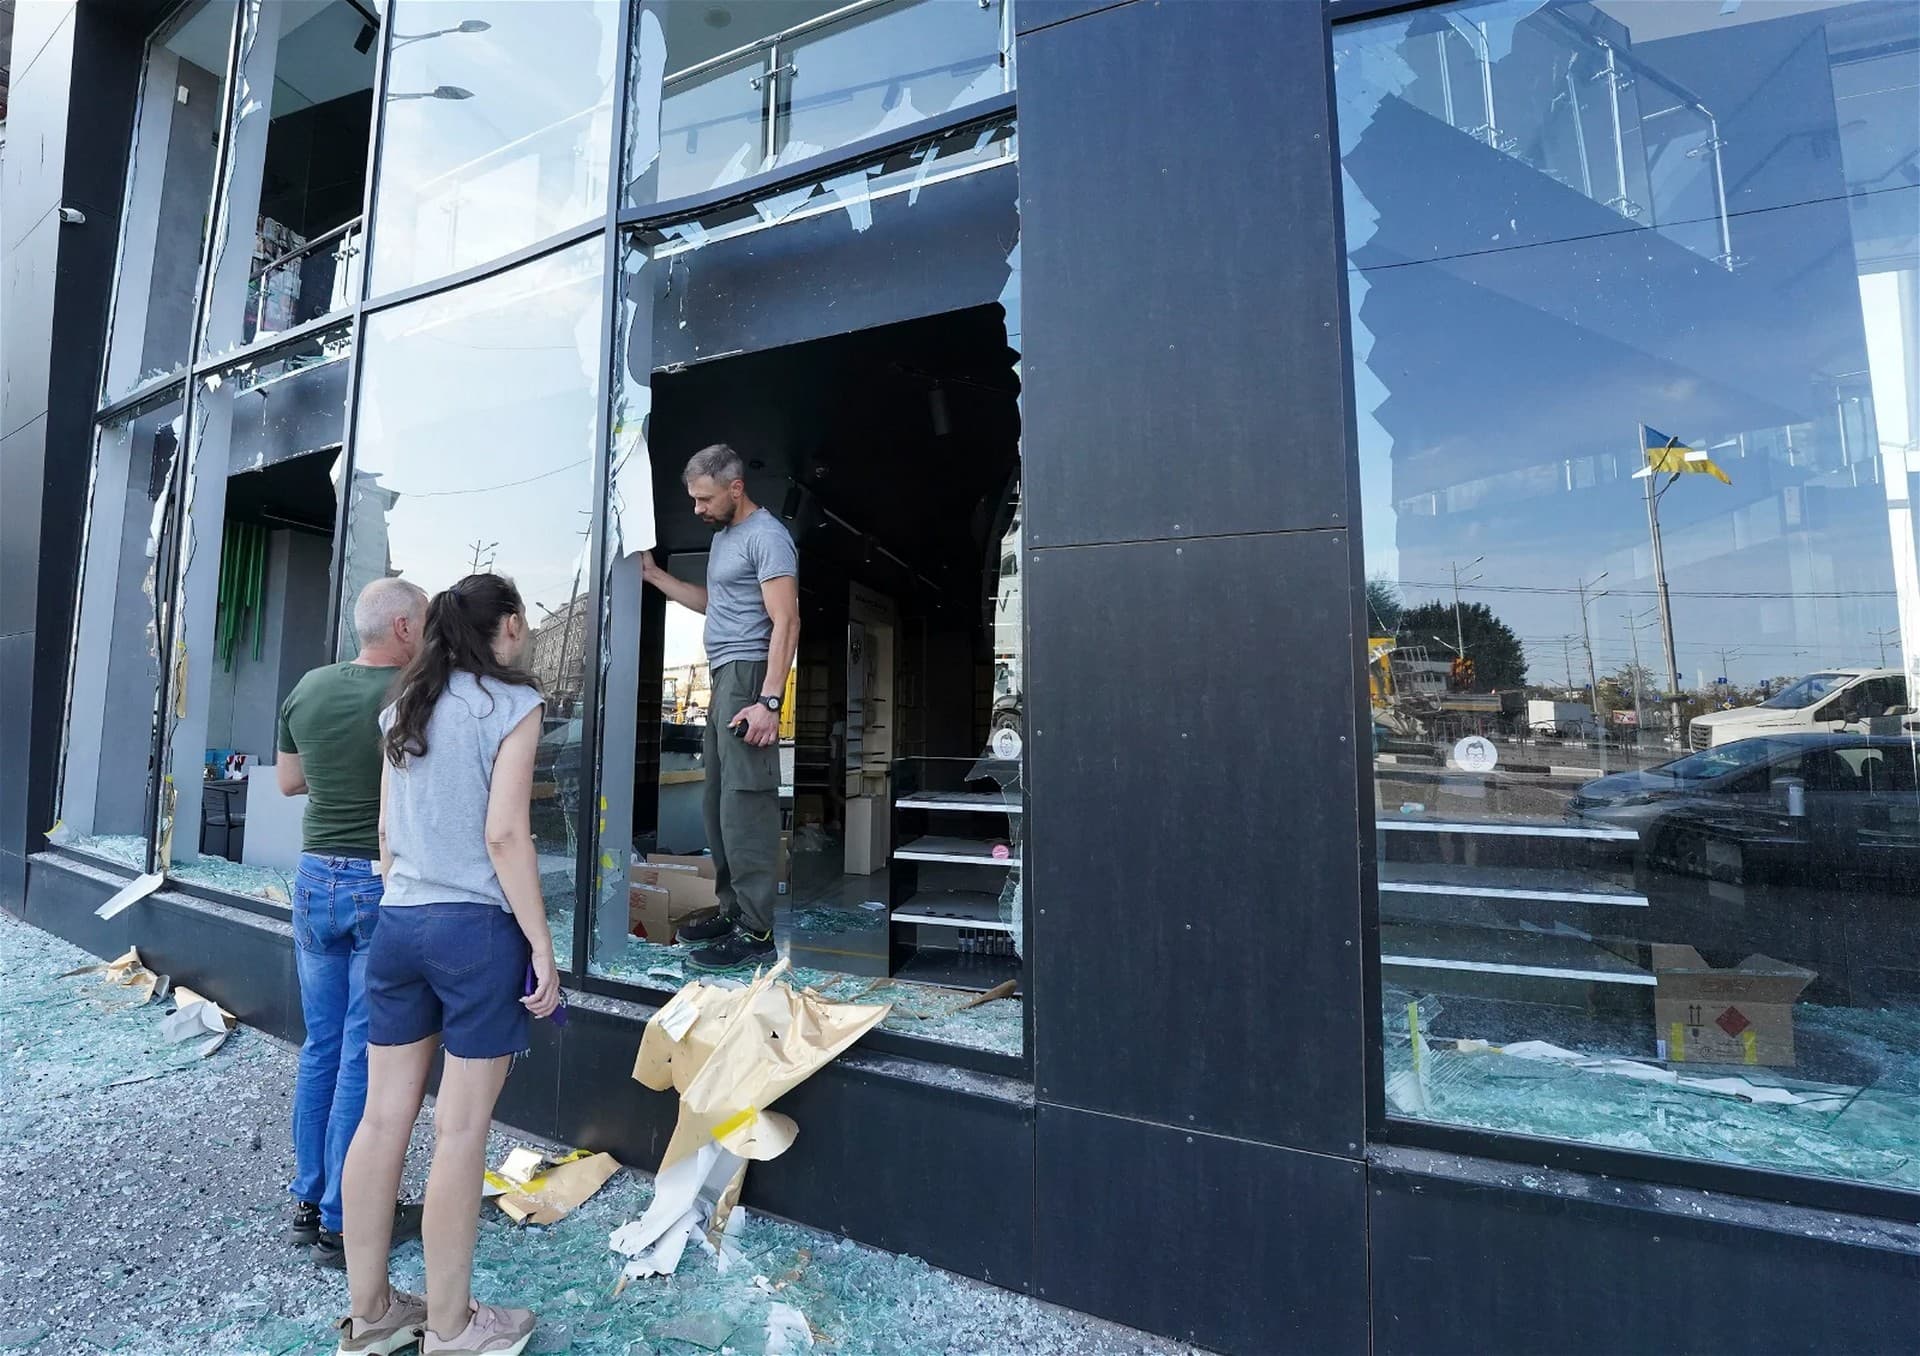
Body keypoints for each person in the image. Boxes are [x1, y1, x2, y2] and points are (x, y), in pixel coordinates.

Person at [334, 573, 561, 1356]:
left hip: (399, 924)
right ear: (510, 624)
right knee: (461, 1130)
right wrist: (541, 944)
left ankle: (372, 1315)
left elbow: (387, 837)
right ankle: (454, 1328)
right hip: (475, 932)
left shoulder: (407, 706)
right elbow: (506, 837)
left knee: (382, 1116)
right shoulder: (513, 705)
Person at [277, 577, 429, 1269]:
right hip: (375, 881)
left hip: (312, 879)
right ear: (400, 629)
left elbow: (288, 782)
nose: (426, 635)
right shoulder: (407, 695)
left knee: (320, 1046)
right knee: (364, 1054)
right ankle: (347, 1216)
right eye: (422, 623)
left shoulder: (307, 688)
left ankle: (309, 1203)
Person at [641, 444, 800, 972]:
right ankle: (734, 912)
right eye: (694, 499)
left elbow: (787, 622)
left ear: (736, 488)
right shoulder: (728, 539)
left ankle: (757, 932)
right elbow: (718, 603)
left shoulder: (768, 536)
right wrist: (656, 577)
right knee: (717, 807)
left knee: (746, 805)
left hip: (750, 676)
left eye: (705, 499)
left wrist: (768, 701)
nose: (697, 509)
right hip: (723, 676)